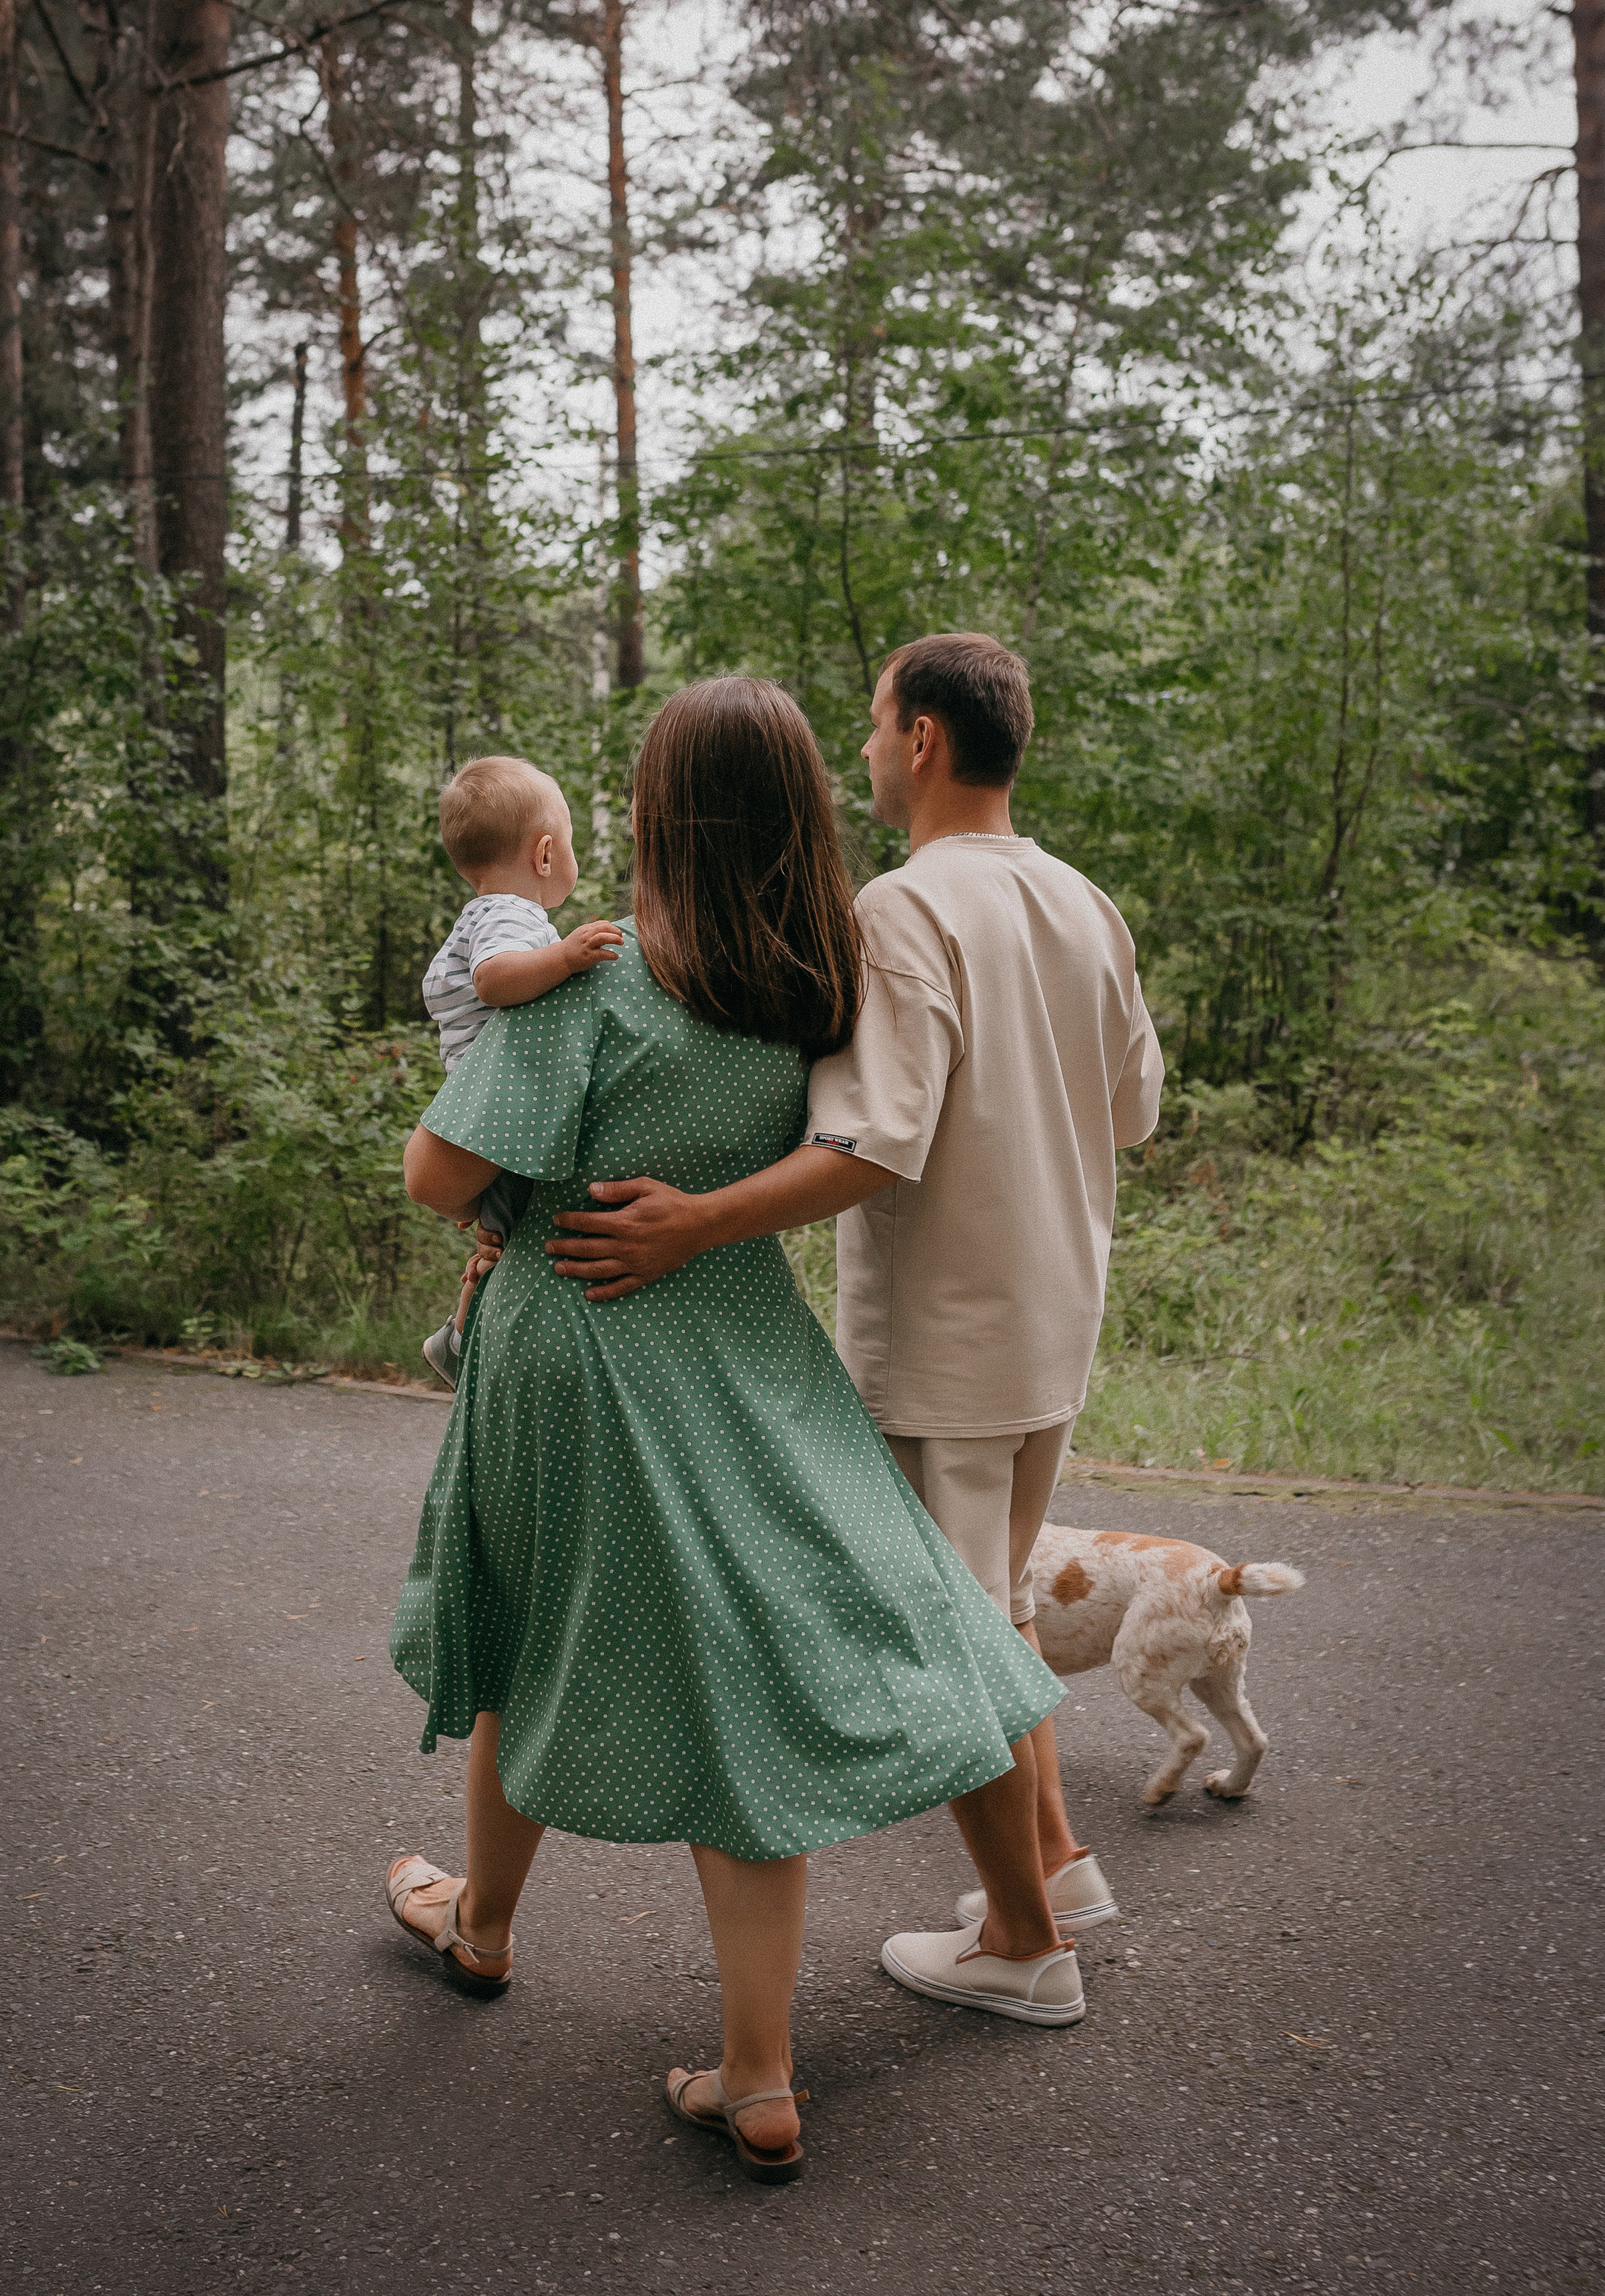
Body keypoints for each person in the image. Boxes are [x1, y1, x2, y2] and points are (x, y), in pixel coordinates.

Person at [385, 677, 1086, 2191]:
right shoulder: (806, 987)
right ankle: (757, 2073)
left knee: (524, 1624)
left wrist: (516, 1195)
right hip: (745, 1334)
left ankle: (484, 1926)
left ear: (649, 815)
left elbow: (435, 1172)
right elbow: (857, 1142)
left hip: (574, 1329)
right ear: (796, 821)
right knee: (765, 1658)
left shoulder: (593, 981)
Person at [543, 633, 1165, 2009]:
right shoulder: (1082, 901)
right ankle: (1055, 1868)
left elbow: (874, 1147)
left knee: (941, 1640)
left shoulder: (901, 909)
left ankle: (1024, 1952)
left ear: (926, 739)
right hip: (1055, 1321)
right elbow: (1135, 1111)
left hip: (943, 1336)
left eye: (876, 727)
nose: (866, 753)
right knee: (984, 1609)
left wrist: (689, 1219)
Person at [417, 755, 622, 1384]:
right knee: (507, 1241)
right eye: (570, 843)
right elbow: (495, 979)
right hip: (495, 1117)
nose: (573, 856)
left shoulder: (493, 912)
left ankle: (456, 1333)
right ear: (543, 854)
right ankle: (458, 1340)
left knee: (499, 1235)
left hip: (481, 1114)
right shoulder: (509, 915)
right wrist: (564, 957)